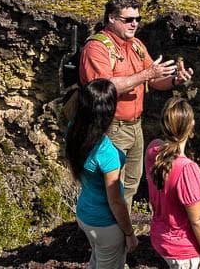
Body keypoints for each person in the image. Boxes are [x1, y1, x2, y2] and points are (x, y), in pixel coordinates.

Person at [80, 0, 194, 209]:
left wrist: (175, 80)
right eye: (128, 19)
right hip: (110, 127)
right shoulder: (96, 48)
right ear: (112, 18)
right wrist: (146, 75)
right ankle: (112, 231)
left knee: (132, 181)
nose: (134, 24)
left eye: (137, 19)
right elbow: (105, 87)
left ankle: (126, 228)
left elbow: (155, 79)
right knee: (113, 185)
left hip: (135, 126)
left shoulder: (136, 45)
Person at [66, 79, 138, 269]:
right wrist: (129, 234)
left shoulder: (73, 130)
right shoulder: (106, 152)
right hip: (106, 224)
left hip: (85, 213)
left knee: (97, 260)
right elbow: (115, 201)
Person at [145, 98, 200, 269]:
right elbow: (198, 220)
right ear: (191, 125)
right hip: (183, 248)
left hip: (161, 236)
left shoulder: (153, 149)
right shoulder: (186, 169)